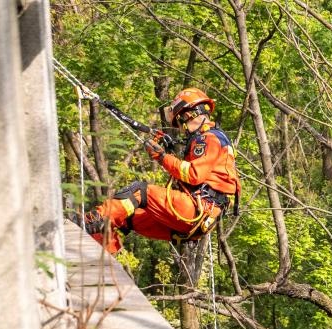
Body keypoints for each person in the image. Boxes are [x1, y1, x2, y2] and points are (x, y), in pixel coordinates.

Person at [83, 87, 241, 253]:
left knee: (140, 191)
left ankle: (92, 221)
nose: (181, 129)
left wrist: (162, 157)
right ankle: (97, 253)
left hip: (196, 210)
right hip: (198, 222)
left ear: (187, 116)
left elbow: (194, 174)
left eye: (180, 123)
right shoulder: (211, 139)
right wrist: (168, 152)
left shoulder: (210, 138)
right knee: (126, 218)